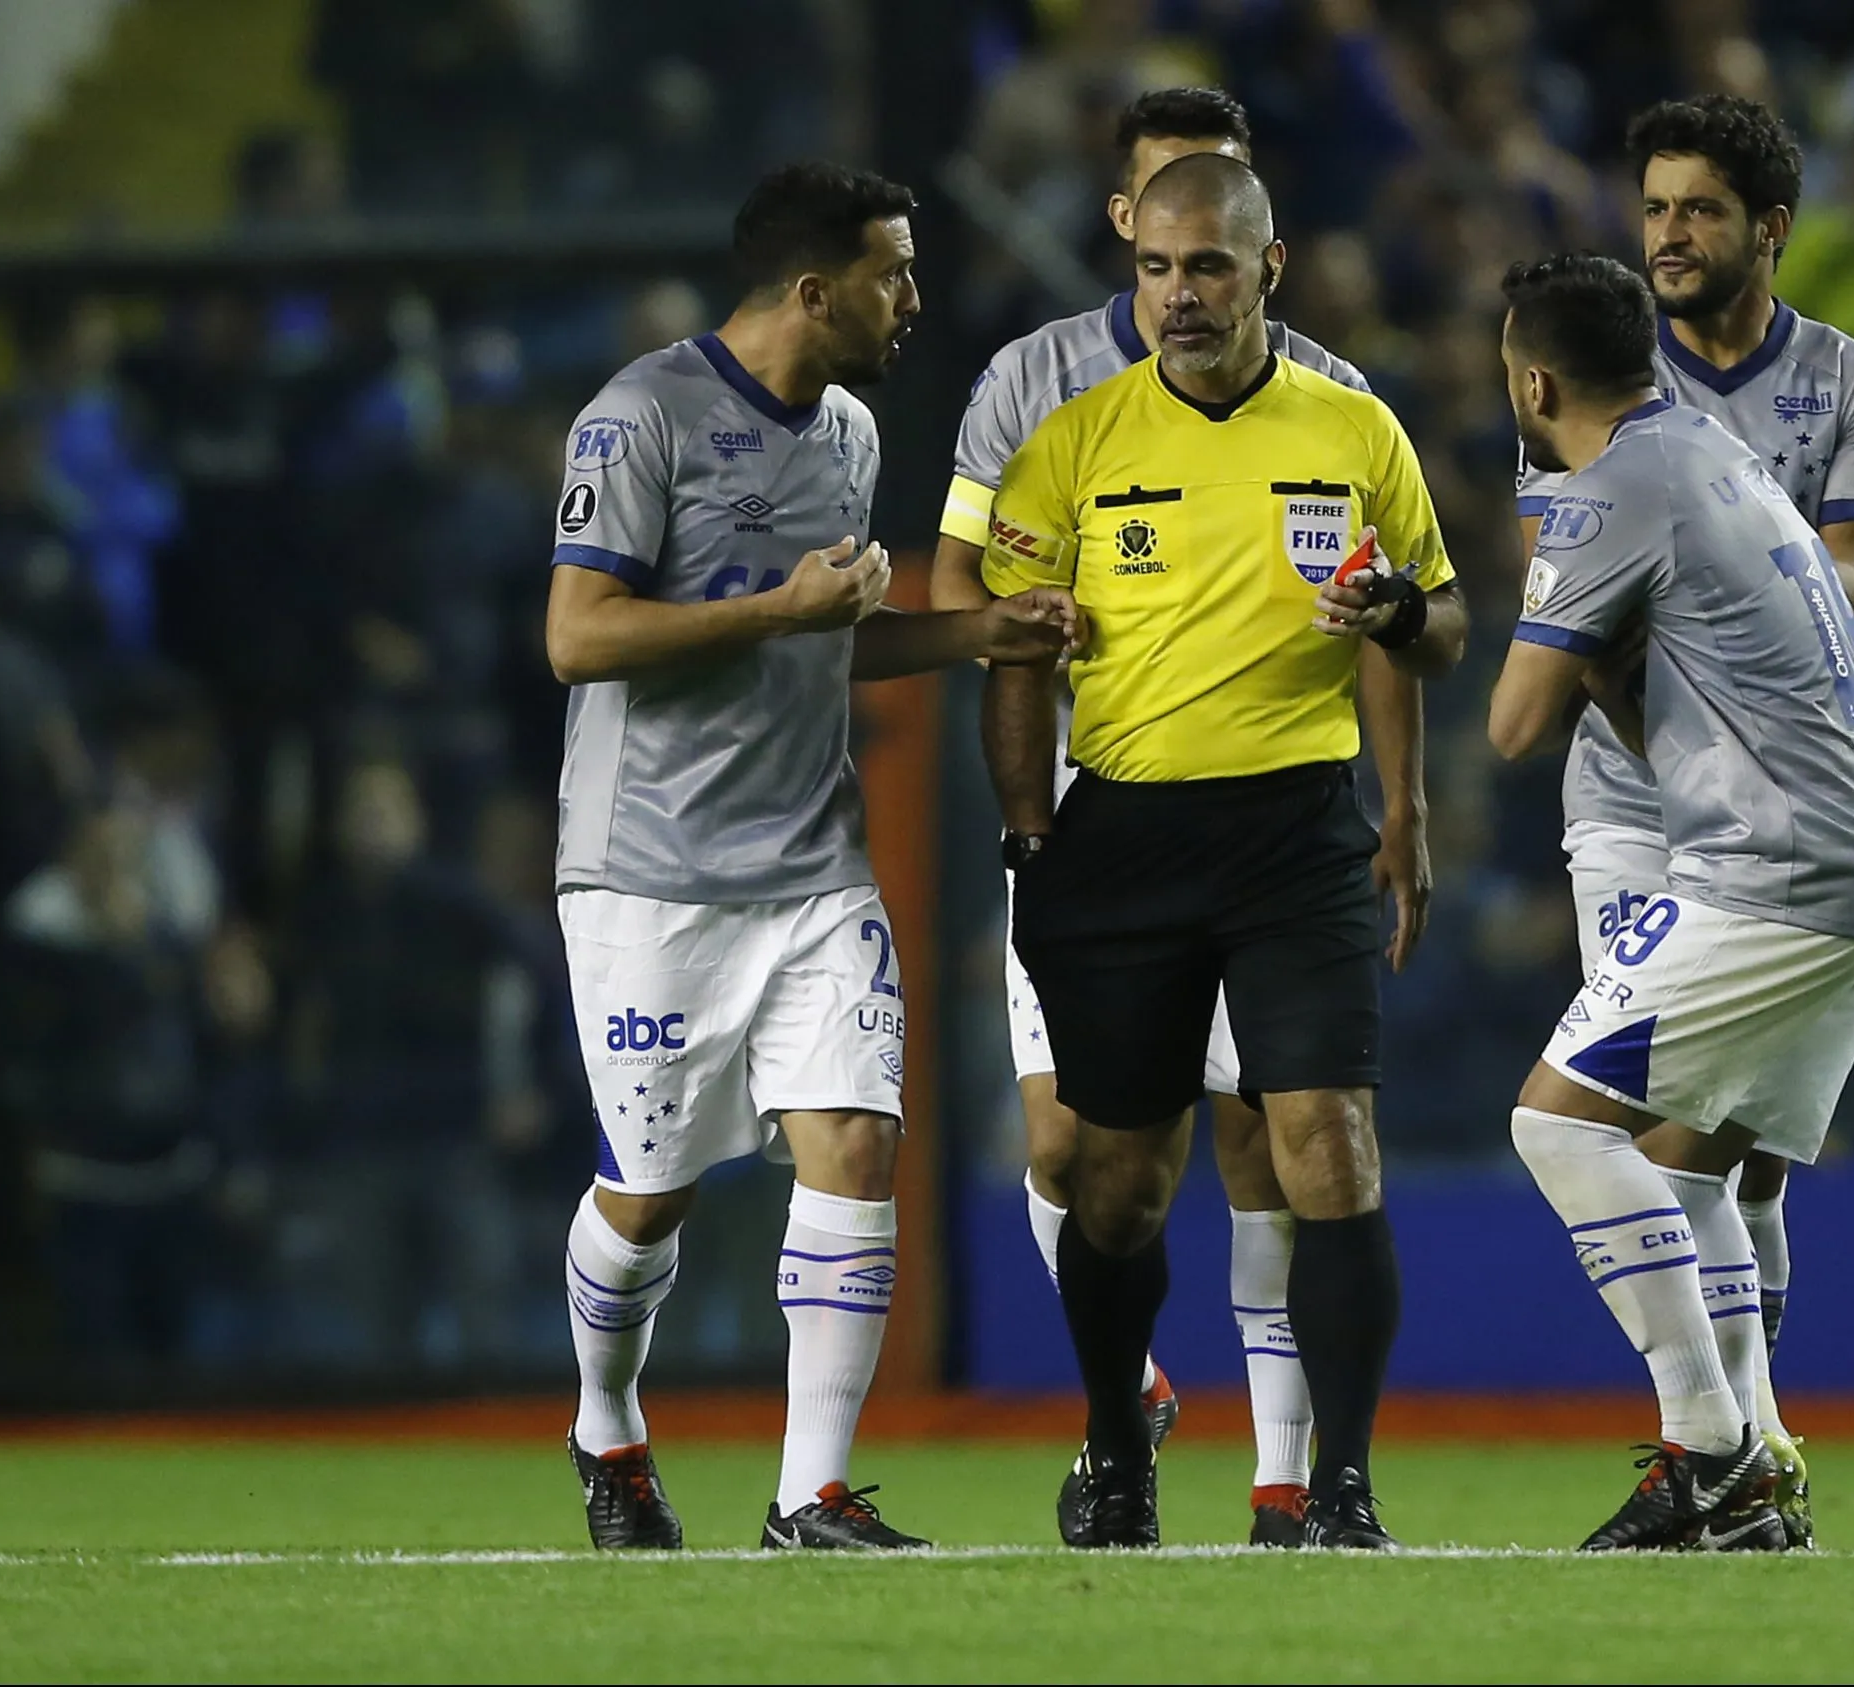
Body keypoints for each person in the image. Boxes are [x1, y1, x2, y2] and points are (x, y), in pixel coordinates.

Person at [541, 161, 1078, 1552]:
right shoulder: (640, 418)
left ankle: (810, 1494)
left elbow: (832, 631)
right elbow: (578, 637)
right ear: (813, 288)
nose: (914, 300)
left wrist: (976, 634)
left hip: (813, 865)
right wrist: (780, 605)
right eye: (895, 274)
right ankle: (607, 1421)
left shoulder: (846, 430)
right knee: (649, 1188)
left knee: (857, 1138)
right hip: (648, 870)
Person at [932, 86, 1422, 1545]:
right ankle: (1122, 1420)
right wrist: (1029, 802)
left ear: (1264, 247)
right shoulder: (1042, 399)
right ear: (1124, 226)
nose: (1185, 270)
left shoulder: (1342, 402)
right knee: (1089, 1165)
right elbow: (975, 603)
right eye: (1162, 240)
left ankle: (1310, 1479)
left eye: (1217, 242)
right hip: (1107, 810)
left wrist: (1404, 809)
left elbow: (1397, 619)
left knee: (1295, 1140)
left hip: (1285, 815)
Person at [1513, 93, 1854, 1545]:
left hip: (1777, 808)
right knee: (1669, 1138)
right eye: (1657, 208)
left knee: (1732, 1154)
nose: (1671, 234)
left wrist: (1694, 609)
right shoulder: (1589, 372)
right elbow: (1557, 600)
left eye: (1701, 211)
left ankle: (1738, 1448)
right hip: (1634, 806)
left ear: (1770, 231)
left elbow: (1846, 603)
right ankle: (1746, 1451)